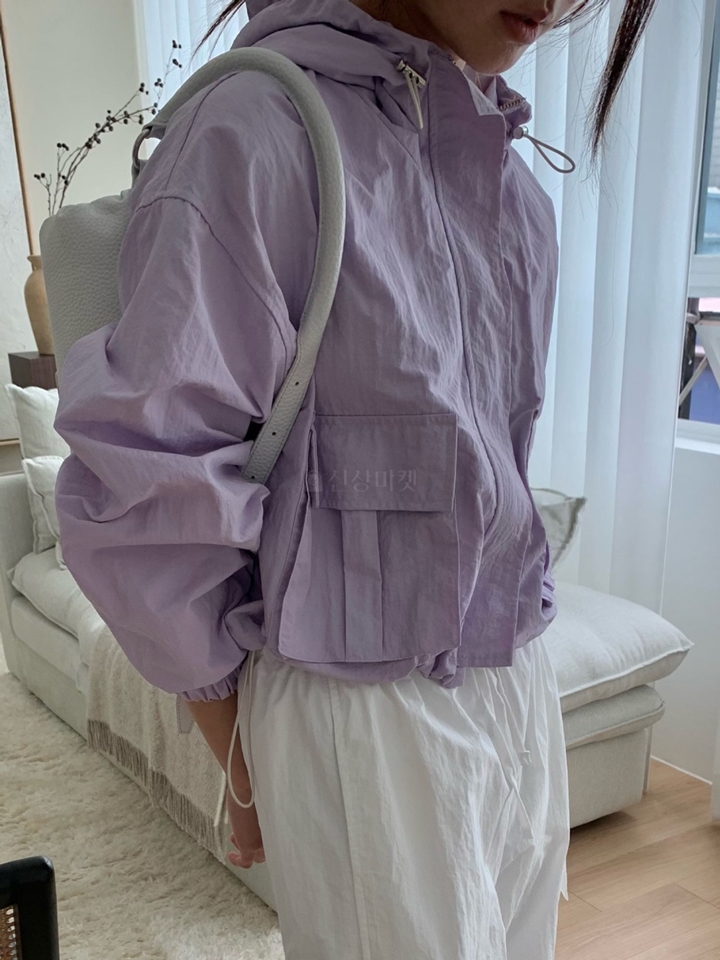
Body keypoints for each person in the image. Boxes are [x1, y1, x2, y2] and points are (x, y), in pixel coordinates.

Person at [53, 0, 658, 956]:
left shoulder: (508, 178)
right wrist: (240, 759)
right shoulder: (258, 132)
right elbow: (152, 484)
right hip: (359, 707)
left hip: (517, 671)